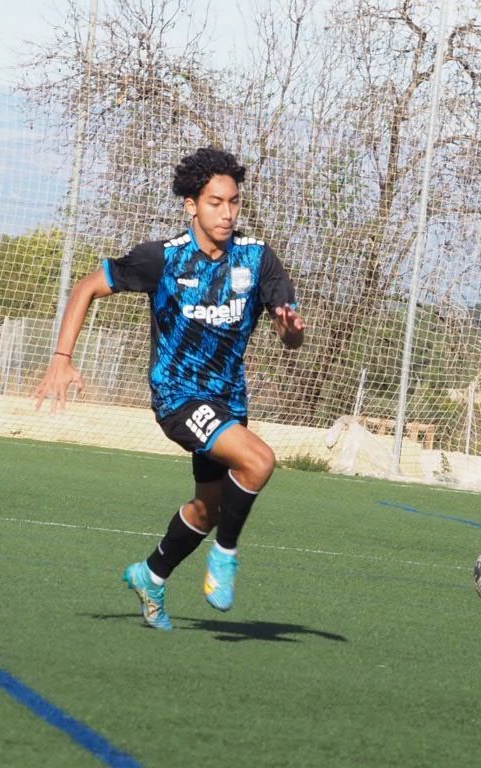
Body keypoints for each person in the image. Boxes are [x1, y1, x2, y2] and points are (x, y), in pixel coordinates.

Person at [34, 147, 305, 629]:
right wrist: (61, 359)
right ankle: (225, 555)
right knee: (259, 460)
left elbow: (291, 340)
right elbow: (86, 288)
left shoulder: (257, 259)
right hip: (178, 397)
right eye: (215, 202)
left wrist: (291, 329)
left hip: (228, 400)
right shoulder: (163, 258)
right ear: (191, 205)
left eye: (234, 202)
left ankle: (151, 574)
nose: (227, 212)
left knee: (208, 507)